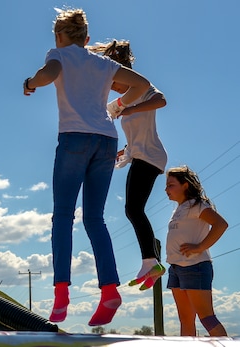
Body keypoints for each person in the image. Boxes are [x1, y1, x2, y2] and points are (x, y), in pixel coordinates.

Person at [22, 8, 150, 326]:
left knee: (63, 216)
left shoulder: (59, 54)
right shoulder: (104, 63)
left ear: (59, 37)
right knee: (95, 219)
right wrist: (117, 107)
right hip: (106, 140)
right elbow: (143, 83)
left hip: (75, 139)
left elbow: (48, 73)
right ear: (87, 39)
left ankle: (62, 294)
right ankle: (109, 290)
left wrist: (30, 82)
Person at [90, 40, 168, 291]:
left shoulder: (143, 88)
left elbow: (161, 100)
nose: (113, 89)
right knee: (133, 209)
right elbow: (131, 132)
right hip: (141, 154)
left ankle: (150, 260)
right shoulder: (124, 101)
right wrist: (124, 150)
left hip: (151, 156)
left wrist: (131, 110)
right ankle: (151, 260)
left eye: (114, 83)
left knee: (133, 209)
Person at [165, 166, 228, 336]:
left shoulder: (197, 205)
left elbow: (221, 224)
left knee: (207, 318)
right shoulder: (178, 210)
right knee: (185, 320)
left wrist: (200, 247)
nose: (166, 189)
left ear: (185, 185)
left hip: (195, 266)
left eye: (171, 185)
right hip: (176, 268)